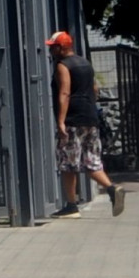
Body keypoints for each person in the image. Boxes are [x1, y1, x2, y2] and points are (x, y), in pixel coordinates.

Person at [47, 32, 125, 218]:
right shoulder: (85, 64)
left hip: (73, 119)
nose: (51, 50)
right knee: (91, 161)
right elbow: (95, 89)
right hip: (91, 119)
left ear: (62, 47)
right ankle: (112, 188)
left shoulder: (62, 66)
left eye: (54, 46)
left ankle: (71, 206)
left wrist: (60, 121)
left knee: (68, 163)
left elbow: (64, 93)